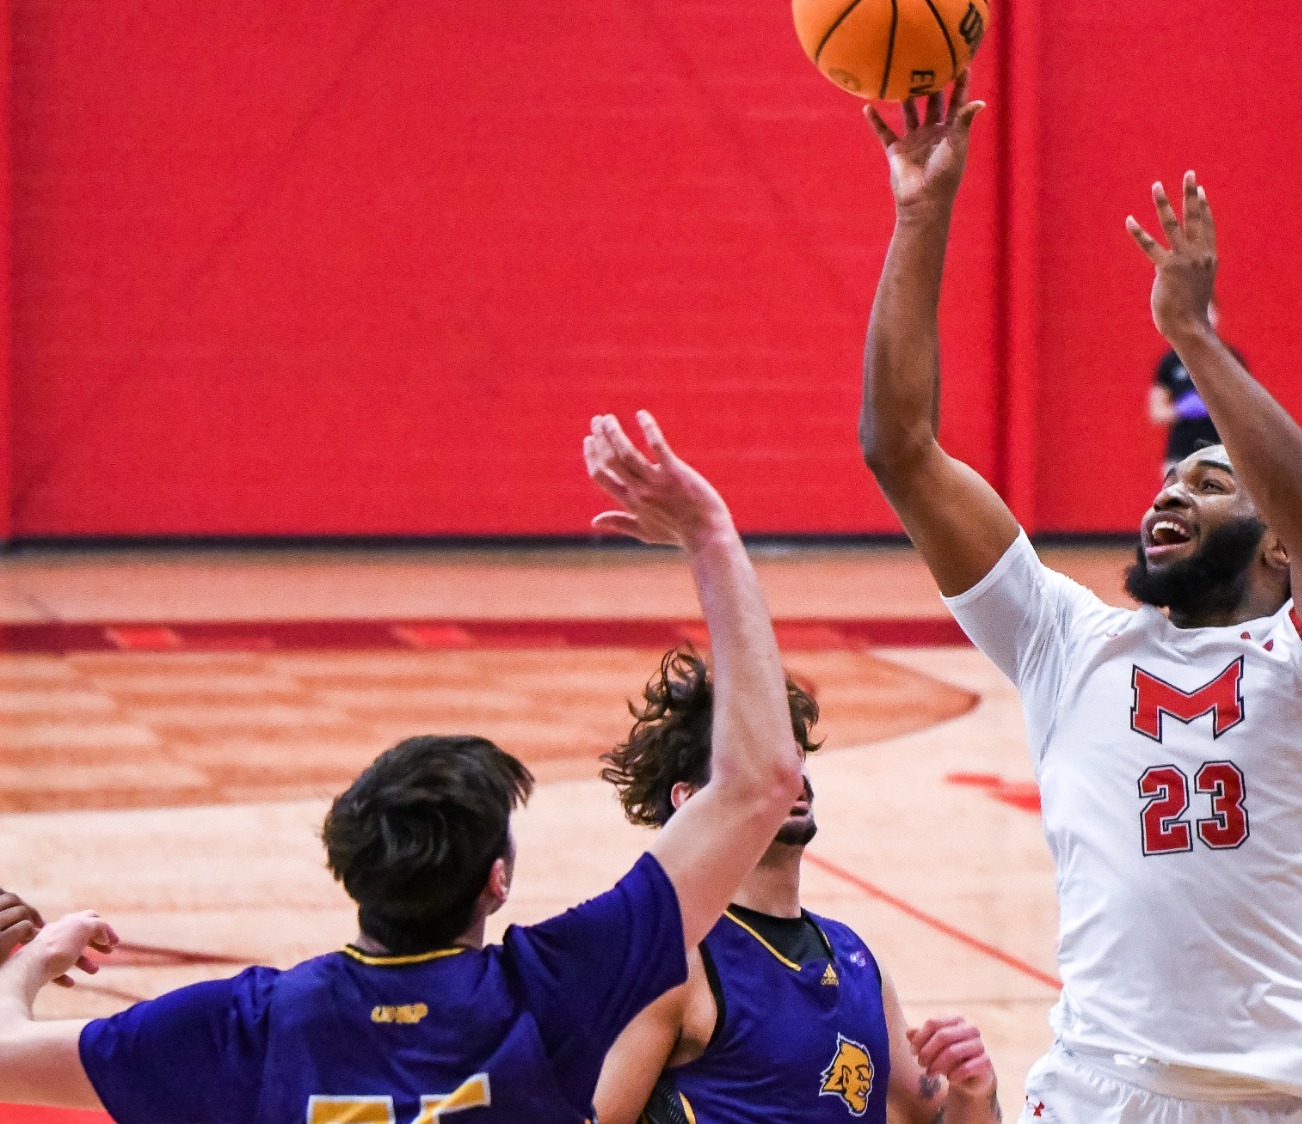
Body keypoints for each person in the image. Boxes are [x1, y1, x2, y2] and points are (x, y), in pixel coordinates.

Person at [859, 78, 1302, 1119]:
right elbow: (899, 451)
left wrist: (1194, 338)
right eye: (1170, 478)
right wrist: (919, 212)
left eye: (1211, 481)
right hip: (1100, 1088)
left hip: (1290, 1098)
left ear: (1278, 549)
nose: (1169, 487)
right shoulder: (1064, 640)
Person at [0, 412, 807, 1120]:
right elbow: (759, 781)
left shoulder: (250, 1027)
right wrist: (710, 535)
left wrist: (27, 965)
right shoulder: (555, 991)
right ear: (497, 880)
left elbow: (5, 1053)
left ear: (347, 867)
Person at [592, 651, 1001, 1124]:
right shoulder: (675, 961)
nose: (791, 776)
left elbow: (935, 1116)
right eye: (759, 760)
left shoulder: (857, 962)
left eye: (793, 757)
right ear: (690, 799)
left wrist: (974, 1091)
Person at [1148, 301, 1241, 476]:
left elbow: (1245, 406)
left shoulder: (1230, 357)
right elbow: (1157, 412)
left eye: (1208, 311)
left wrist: (1218, 406)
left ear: (1217, 314)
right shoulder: (1171, 361)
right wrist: (1181, 409)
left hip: (1220, 451)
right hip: (1181, 451)